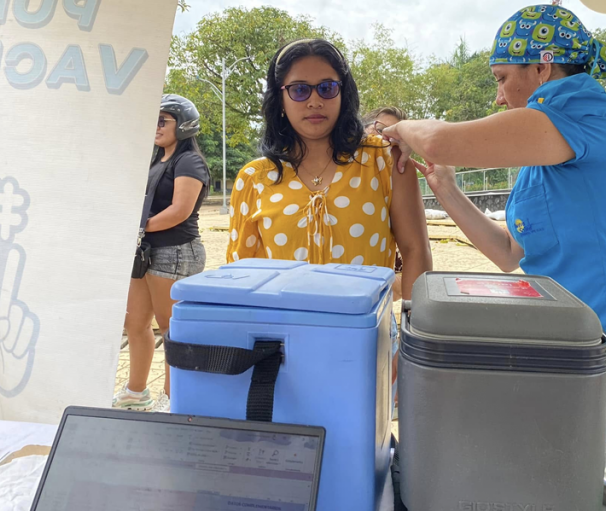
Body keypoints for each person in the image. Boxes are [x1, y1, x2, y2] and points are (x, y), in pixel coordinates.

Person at [381, 5, 606, 456]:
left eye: (501, 77)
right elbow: (510, 253)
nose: (498, 96)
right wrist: (446, 189)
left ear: (543, 66)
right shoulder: (548, 152)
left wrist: (398, 129)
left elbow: (440, 140)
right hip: (574, 355)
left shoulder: (588, 110)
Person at [226, 38, 431, 298]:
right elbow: (242, 274)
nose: (314, 101)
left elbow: (416, 250)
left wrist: (413, 326)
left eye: (326, 88)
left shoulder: (384, 161)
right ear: (280, 98)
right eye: (300, 90)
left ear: (343, 94)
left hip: (365, 335)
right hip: (284, 336)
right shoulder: (254, 179)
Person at [114, 94, 211, 412]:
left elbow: (179, 212)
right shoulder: (157, 160)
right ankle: (136, 392)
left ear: (183, 124)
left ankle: (172, 399)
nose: (155, 126)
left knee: (171, 329)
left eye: (162, 120)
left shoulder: (189, 161)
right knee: (136, 323)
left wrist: (137, 228)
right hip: (146, 252)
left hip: (176, 252)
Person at [363, 106, 410, 301]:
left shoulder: (397, 183)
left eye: (398, 137)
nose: (388, 140)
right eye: (381, 129)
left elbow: (411, 260)